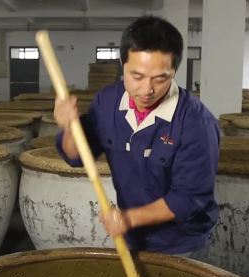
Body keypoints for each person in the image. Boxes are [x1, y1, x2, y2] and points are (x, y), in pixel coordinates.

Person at [54, 15, 220, 256]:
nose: (147, 90)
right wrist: (69, 127)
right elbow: (76, 156)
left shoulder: (197, 123)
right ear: (123, 65)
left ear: (174, 71)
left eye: (160, 78)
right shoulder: (107, 102)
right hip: (131, 236)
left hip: (181, 243)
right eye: (137, 76)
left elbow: (188, 198)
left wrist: (129, 219)